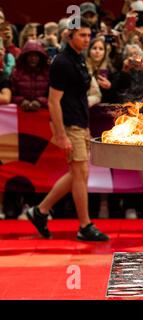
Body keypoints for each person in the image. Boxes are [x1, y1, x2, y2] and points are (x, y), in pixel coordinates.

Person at [26, 18, 109, 241]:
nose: (86, 39)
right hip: (70, 125)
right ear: (69, 36)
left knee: (78, 174)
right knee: (80, 174)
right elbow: (53, 101)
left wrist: (86, 128)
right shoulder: (61, 62)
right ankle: (84, 226)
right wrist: (61, 134)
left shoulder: (79, 59)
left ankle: (40, 211)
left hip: (81, 123)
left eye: (88, 35)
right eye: (82, 35)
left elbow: (80, 96)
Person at [11, 40, 49, 111]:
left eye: (36, 56)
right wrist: (21, 101)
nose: (33, 58)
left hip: (43, 114)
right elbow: (12, 94)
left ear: (41, 57)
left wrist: (40, 101)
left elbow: (53, 96)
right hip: (21, 113)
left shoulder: (48, 73)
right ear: (25, 57)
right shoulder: (16, 73)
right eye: (30, 55)